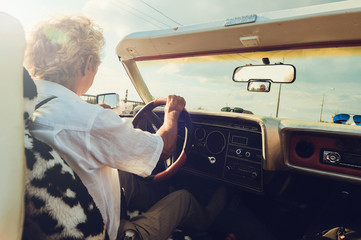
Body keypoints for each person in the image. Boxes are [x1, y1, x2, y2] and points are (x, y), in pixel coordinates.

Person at [24, 15, 225, 240]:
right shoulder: (90, 120)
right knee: (184, 198)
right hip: (104, 234)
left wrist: (96, 115)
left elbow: (79, 130)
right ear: (88, 63)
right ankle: (216, 218)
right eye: (96, 66)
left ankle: (154, 204)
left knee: (127, 178)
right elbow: (164, 148)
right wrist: (172, 115)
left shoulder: (21, 108)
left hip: (46, 225)